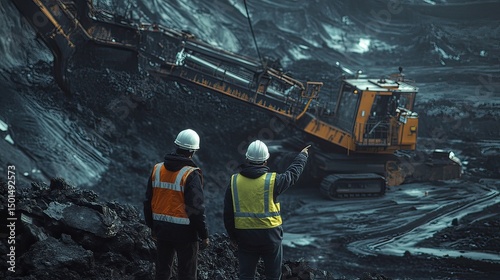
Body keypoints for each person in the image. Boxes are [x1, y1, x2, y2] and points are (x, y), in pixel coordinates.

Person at [223, 140, 309, 280]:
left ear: (247, 159)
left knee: (246, 276)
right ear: (266, 160)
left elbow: (227, 214)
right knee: (273, 276)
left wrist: (233, 237)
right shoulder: (273, 181)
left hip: (245, 236)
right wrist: (302, 156)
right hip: (270, 236)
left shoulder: (234, 182)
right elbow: (292, 175)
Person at [144, 128, 210, 280]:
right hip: (185, 233)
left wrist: (152, 226)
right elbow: (196, 208)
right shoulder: (190, 174)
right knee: (187, 274)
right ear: (193, 152)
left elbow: (148, 201)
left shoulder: (157, 169)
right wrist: (203, 234)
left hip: (162, 229)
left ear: (177, 146)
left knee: (162, 272)